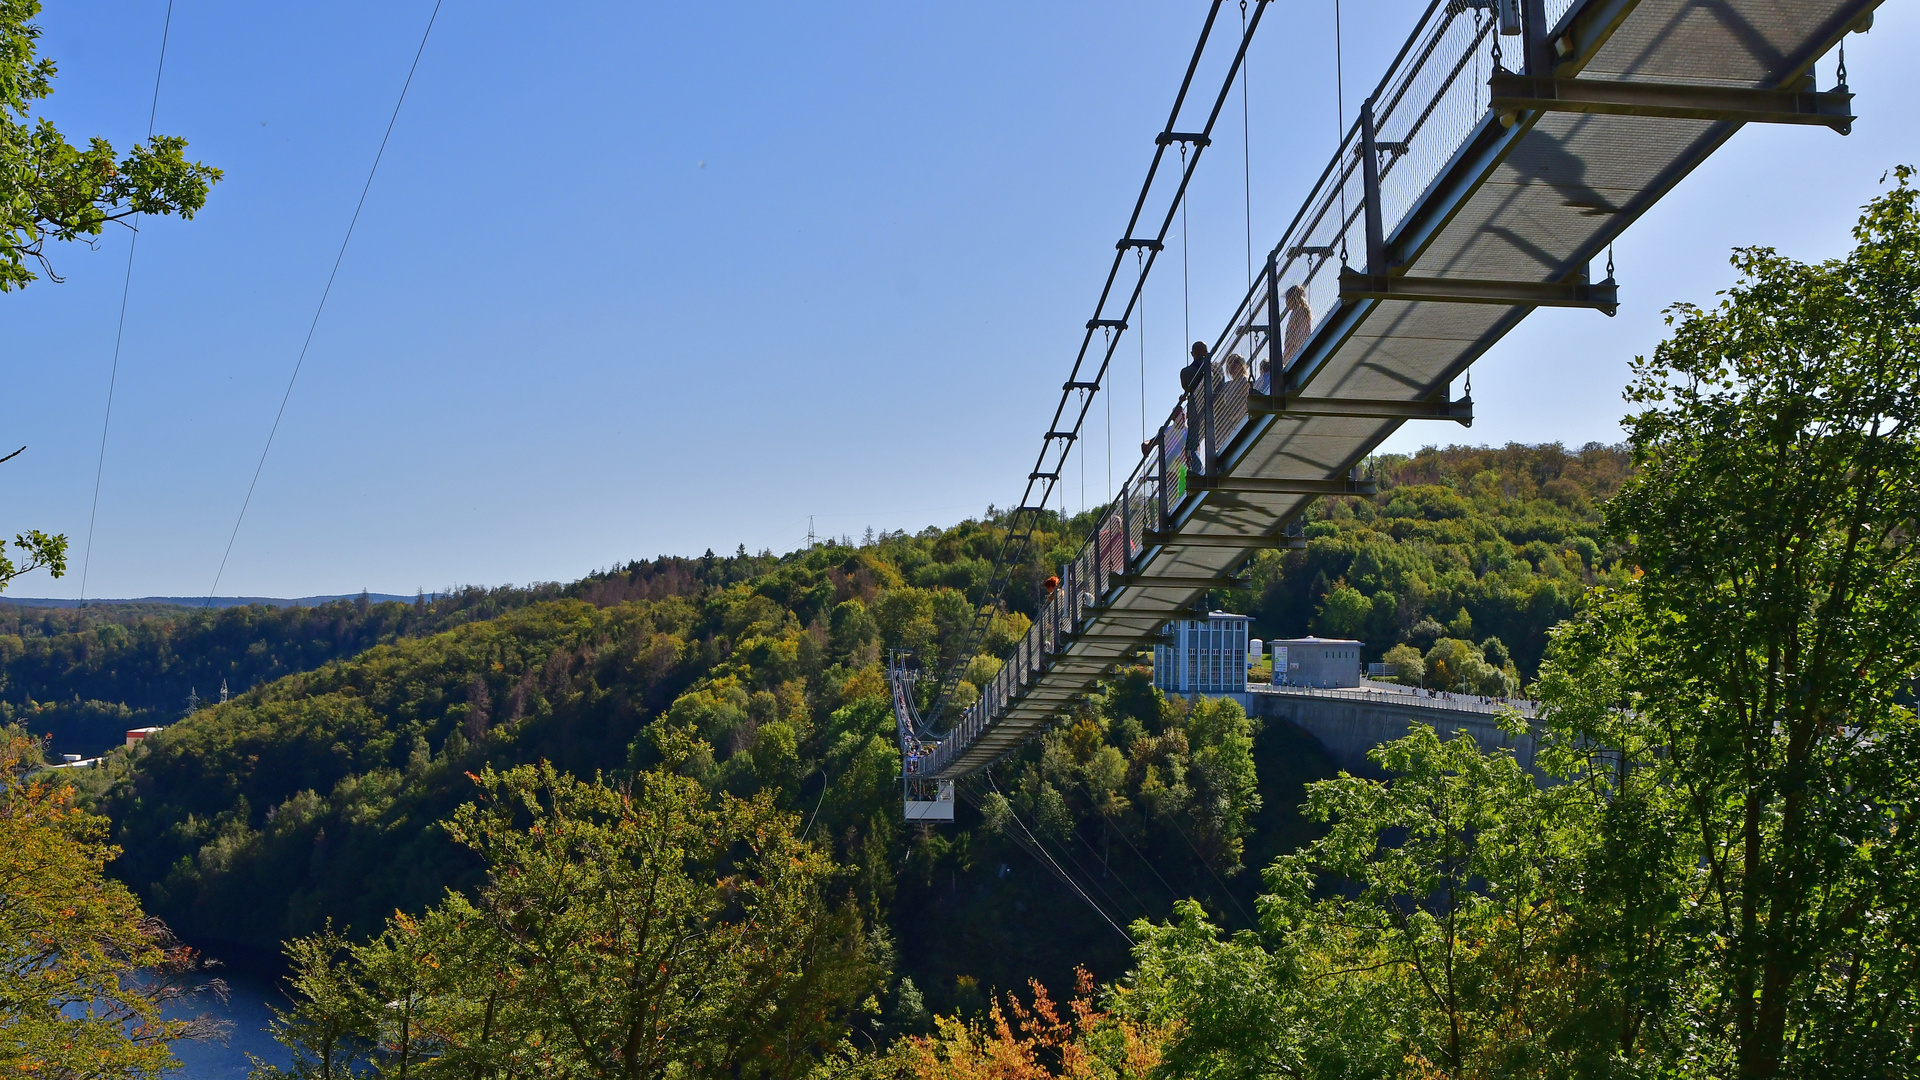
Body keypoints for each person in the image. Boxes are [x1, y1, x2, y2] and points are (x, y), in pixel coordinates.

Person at [1282, 285, 1312, 365]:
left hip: (1295, 352)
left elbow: (1296, 334)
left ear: (1292, 298)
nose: (1286, 302)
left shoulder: (1297, 312)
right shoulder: (1303, 310)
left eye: (1287, 299)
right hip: (1300, 349)